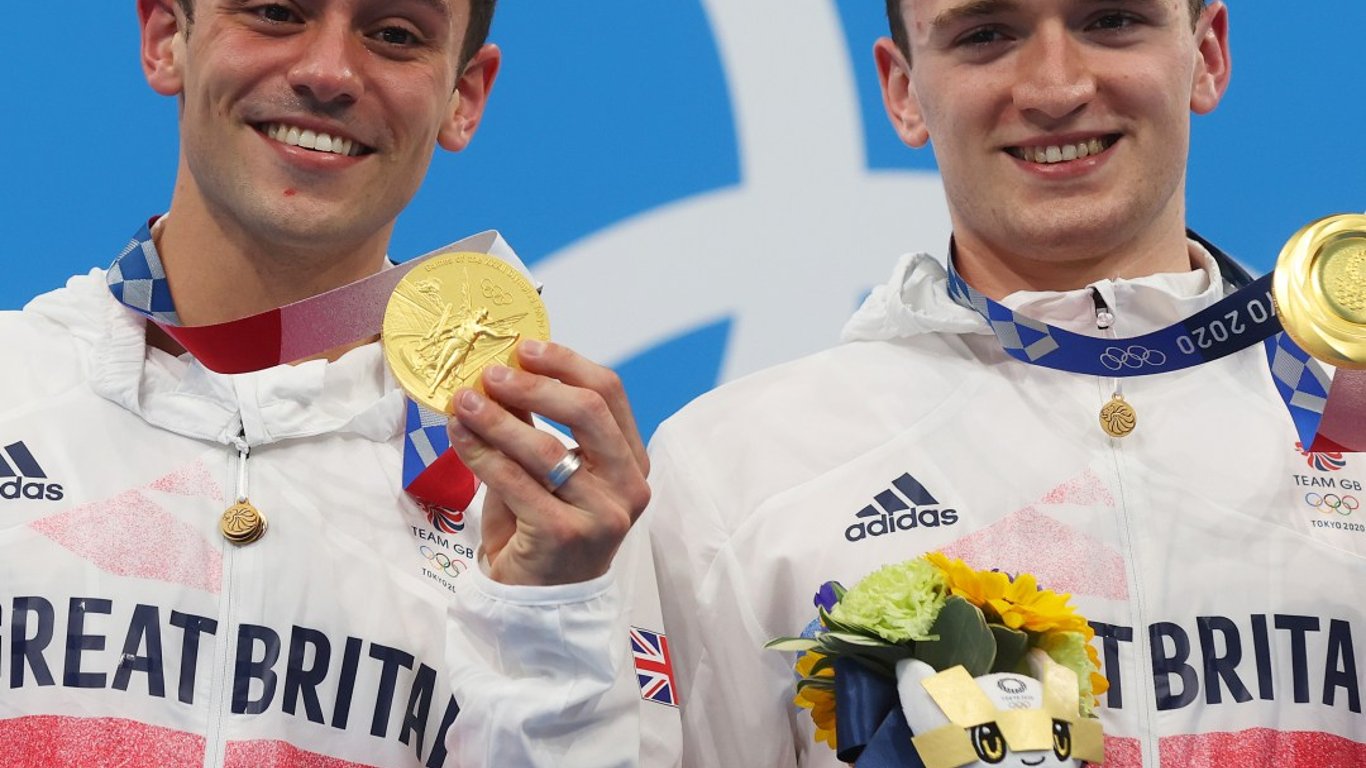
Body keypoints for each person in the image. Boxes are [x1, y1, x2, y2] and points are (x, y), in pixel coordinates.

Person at [647, 1, 1366, 765]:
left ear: (1208, 52)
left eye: (1112, 20)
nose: (1055, 89)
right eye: (986, 35)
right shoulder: (740, 465)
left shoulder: (1344, 406)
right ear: (903, 90)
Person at [0, 1, 679, 766]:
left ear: (464, 96)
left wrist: (549, 620)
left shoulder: (548, 504)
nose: (328, 73)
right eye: (275, 12)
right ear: (166, 39)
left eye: (394, 35)